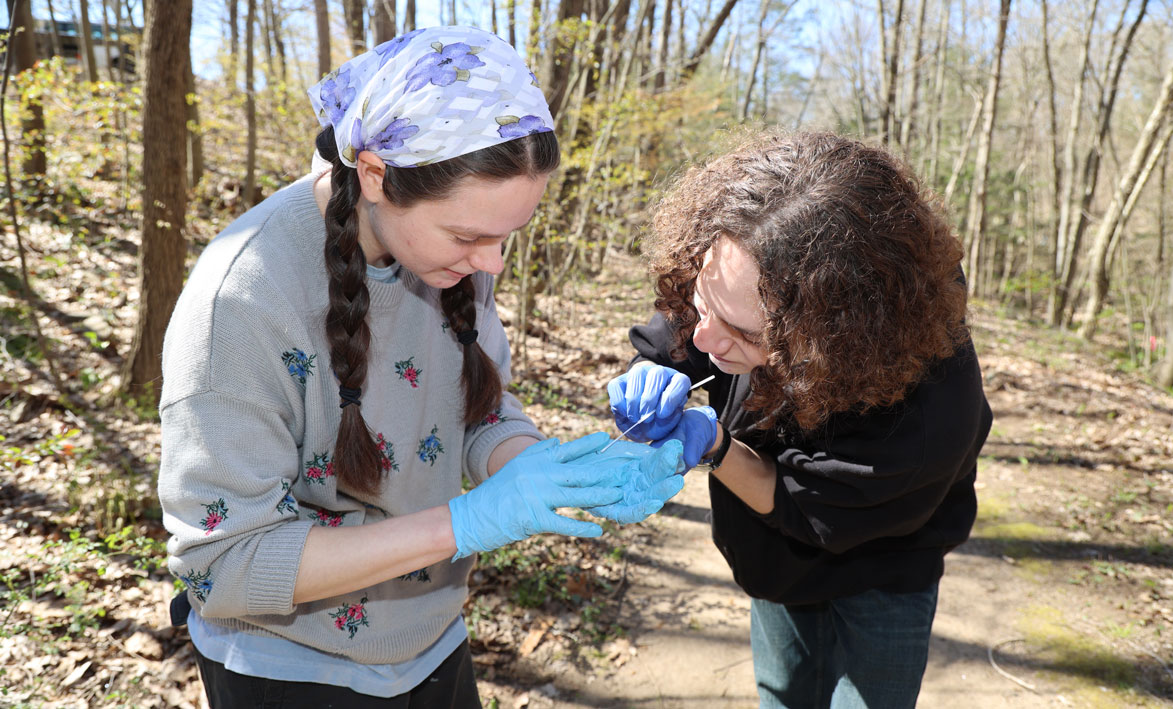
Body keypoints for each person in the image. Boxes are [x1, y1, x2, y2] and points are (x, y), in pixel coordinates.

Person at [157, 26, 683, 708]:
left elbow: (478, 412)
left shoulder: (449, 257)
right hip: (290, 667)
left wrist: (544, 471)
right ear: (375, 174)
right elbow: (222, 564)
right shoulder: (243, 296)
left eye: (507, 237)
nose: (492, 263)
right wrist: (464, 522)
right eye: (470, 236)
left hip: (430, 641)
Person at [607, 130, 993, 708]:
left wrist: (714, 447)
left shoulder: (928, 415)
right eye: (704, 302)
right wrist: (645, 370)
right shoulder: (740, 268)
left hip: (884, 566)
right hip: (776, 559)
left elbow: (801, 504)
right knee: (784, 693)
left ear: (838, 339)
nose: (705, 338)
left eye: (743, 332)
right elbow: (677, 336)